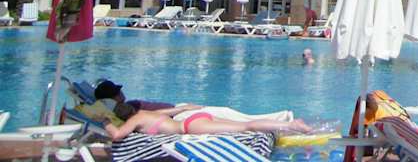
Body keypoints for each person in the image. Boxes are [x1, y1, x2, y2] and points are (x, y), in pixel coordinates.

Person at [105, 108, 311, 140]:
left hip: (190, 127)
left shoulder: (135, 120)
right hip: (196, 118)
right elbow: (172, 111)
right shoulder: (145, 113)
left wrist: (104, 122)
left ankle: (292, 126)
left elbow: (117, 135)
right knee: (245, 123)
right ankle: (287, 124)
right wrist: (190, 107)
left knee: (245, 127)